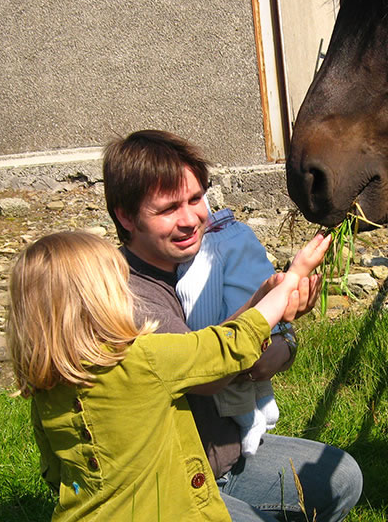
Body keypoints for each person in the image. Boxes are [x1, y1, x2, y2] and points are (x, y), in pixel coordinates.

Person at [103, 130, 363, 522]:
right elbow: (203, 374)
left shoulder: (201, 262)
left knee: (341, 477)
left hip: (220, 458)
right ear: (126, 216)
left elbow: (258, 353)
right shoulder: (124, 295)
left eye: (195, 199)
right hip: (165, 485)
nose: (191, 219)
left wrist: (285, 331)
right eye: (169, 208)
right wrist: (270, 305)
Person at [6, 229, 330, 521]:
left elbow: (56, 474)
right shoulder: (143, 359)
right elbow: (231, 345)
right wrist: (293, 276)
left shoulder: (46, 389)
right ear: (101, 301)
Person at [176, 198, 286, 456]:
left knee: (232, 383)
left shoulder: (205, 249)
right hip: (266, 322)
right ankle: (266, 403)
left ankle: (250, 422)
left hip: (236, 334)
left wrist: (200, 333)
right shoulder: (239, 230)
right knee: (258, 364)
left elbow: (198, 300)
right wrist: (281, 327)